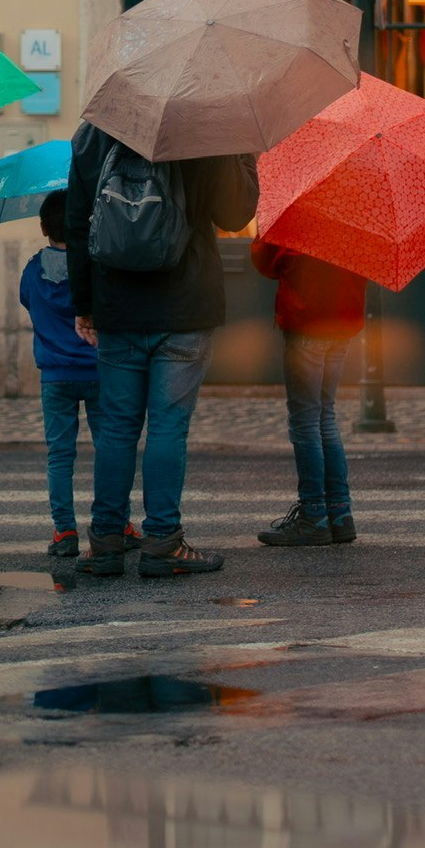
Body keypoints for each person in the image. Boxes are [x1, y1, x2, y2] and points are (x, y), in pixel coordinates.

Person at [65, 124, 259, 579]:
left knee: (116, 429)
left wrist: (84, 304)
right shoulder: (206, 126)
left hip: (117, 304)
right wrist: (242, 148)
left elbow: (78, 220)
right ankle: (162, 543)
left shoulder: (96, 131)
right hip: (184, 305)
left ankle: (107, 542)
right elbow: (235, 214)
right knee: (168, 428)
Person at [19, 188, 112, 572]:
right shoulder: (92, 265)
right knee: (110, 450)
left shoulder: (31, 270)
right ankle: (115, 522)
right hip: (97, 370)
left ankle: (65, 531)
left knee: (60, 456)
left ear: (43, 228)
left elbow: (26, 300)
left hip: (55, 376)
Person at [250, 240, 366, 546]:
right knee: (326, 415)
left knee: (305, 420)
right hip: (341, 321)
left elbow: (264, 260)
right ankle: (340, 513)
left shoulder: (297, 212)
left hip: (307, 321)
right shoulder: (357, 213)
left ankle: (314, 514)